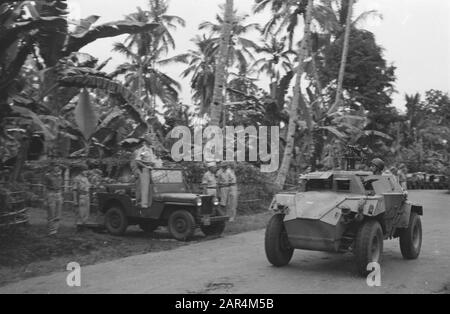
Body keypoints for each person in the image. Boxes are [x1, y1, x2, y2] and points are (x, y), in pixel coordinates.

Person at [132, 133, 163, 208]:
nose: (153, 140)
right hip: (144, 170)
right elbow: (138, 160)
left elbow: (153, 160)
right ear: (146, 140)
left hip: (151, 171)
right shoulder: (143, 150)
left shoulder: (150, 150)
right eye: (151, 138)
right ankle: (141, 206)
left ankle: (150, 205)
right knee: (143, 189)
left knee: (153, 188)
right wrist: (146, 166)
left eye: (153, 138)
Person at [43, 165, 63, 236]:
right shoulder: (48, 176)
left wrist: (61, 195)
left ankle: (55, 230)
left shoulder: (60, 175)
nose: (57, 168)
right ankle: (51, 230)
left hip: (58, 194)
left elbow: (60, 186)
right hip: (51, 194)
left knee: (58, 213)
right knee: (51, 213)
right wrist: (45, 199)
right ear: (52, 167)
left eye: (58, 166)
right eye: (55, 166)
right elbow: (45, 188)